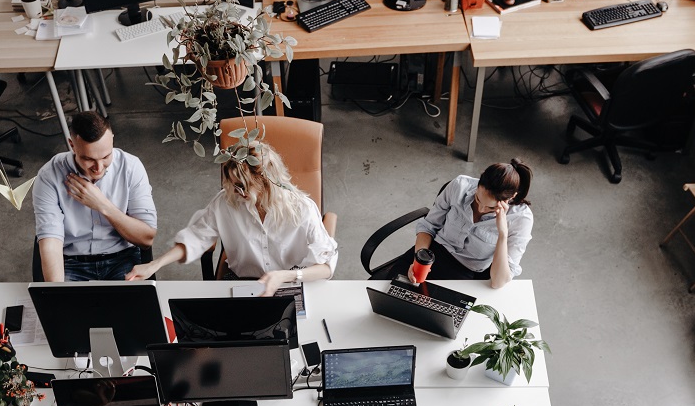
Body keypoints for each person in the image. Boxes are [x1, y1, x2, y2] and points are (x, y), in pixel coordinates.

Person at [127, 143, 337, 295]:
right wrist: (154, 265)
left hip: (291, 284)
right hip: (243, 283)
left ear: (266, 181)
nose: (238, 192)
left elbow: (326, 267)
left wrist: (285, 276)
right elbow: (196, 237)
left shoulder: (302, 209)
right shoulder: (226, 202)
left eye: (244, 186)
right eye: (234, 184)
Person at [33, 111, 157, 282]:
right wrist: (58, 297)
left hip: (122, 258)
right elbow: (51, 243)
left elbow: (146, 239)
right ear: (72, 144)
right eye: (88, 158)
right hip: (71, 262)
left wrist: (102, 205)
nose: (98, 167)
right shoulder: (49, 175)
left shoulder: (131, 167)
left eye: (106, 156)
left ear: (112, 139)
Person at [386, 159, 534, 289]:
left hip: (465, 272)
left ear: (511, 197)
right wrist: (419, 259)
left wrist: (502, 234)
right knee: (386, 294)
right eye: (477, 199)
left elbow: (498, 282)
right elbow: (428, 226)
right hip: (431, 252)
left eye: (491, 207)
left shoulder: (520, 219)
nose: (482, 209)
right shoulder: (460, 185)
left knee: (427, 316)